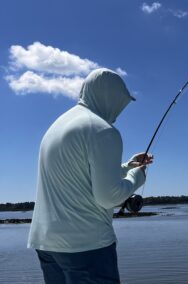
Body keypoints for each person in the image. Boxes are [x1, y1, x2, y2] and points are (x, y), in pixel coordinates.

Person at [27, 68, 153, 283]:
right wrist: (137, 176)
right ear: (110, 97)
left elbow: (78, 174)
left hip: (46, 243)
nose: (120, 111)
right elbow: (109, 197)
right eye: (120, 103)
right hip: (87, 246)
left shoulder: (57, 126)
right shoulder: (103, 130)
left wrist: (126, 166)